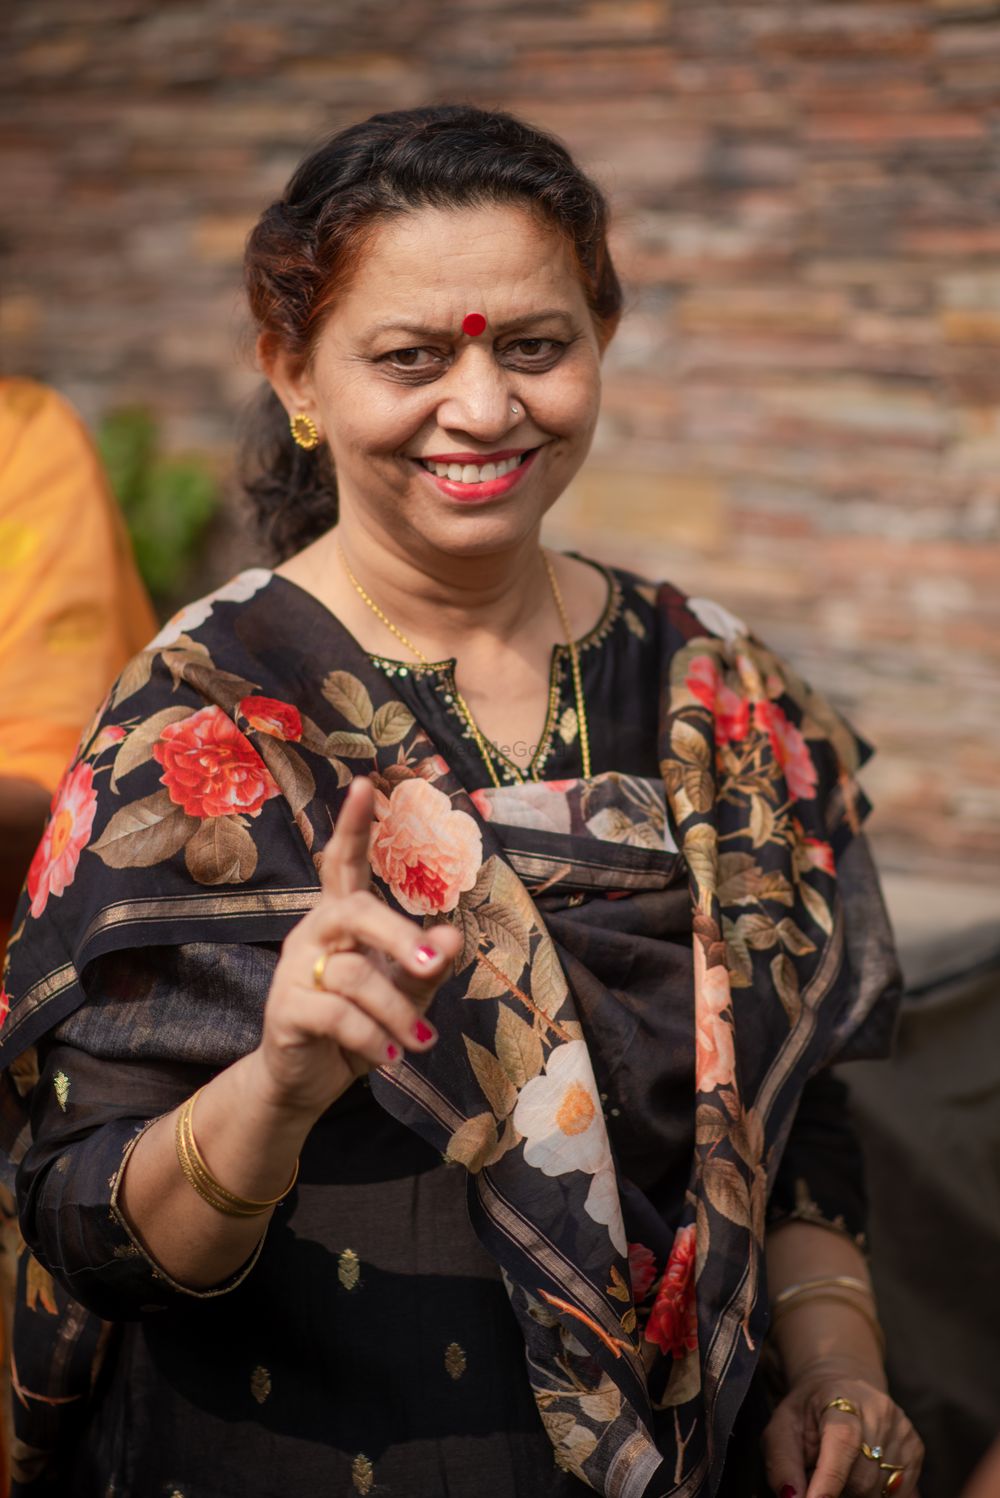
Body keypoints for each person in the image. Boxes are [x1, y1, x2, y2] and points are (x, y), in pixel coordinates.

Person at [0, 106, 924, 1498]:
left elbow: (803, 1122)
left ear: (600, 340)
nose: (485, 407)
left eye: (535, 347)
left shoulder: (720, 694)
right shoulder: (196, 722)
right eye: (412, 357)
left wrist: (838, 1358)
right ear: (294, 373)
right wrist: (277, 1084)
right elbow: (83, 1227)